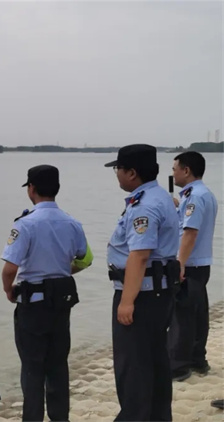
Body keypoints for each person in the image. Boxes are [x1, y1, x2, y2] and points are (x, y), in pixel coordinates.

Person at [0, 164, 92, 422]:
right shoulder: (73, 223)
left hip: (32, 305)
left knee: (32, 371)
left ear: (31, 189)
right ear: (57, 188)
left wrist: (9, 291)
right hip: (61, 305)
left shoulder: (25, 224)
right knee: (58, 367)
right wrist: (62, 269)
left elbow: (9, 270)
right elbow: (84, 258)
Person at [105, 144, 180, 422]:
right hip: (157, 293)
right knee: (155, 362)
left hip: (141, 296)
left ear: (132, 173)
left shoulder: (144, 206)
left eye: (118, 169)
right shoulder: (160, 196)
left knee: (133, 367)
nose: (117, 175)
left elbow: (139, 256)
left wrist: (126, 301)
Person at [168, 151, 218, 381]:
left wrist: (179, 263)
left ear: (186, 170)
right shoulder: (200, 193)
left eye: (175, 168)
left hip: (191, 262)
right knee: (197, 313)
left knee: (183, 315)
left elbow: (190, 232)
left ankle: (178, 366)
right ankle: (198, 360)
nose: (173, 173)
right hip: (200, 262)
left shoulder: (195, 196)